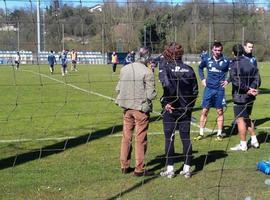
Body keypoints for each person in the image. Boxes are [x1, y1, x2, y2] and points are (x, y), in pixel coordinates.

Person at [159, 42, 198, 178]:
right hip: (185, 109)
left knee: (169, 138)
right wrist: (189, 107)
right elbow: (195, 91)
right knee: (185, 138)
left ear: (169, 53)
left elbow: (167, 86)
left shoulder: (166, 68)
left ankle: (170, 169)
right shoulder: (189, 69)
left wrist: (166, 102)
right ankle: (186, 168)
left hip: (171, 109)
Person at [115, 47, 157, 177]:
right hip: (140, 109)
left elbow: (118, 89)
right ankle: (139, 168)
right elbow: (151, 95)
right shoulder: (147, 72)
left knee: (126, 137)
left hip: (127, 108)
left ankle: (124, 165)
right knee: (140, 138)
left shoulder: (124, 69)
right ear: (147, 58)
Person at [194, 42, 230, 141]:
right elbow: (200, 68)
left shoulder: (226, 60)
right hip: (209, 89)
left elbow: (232, 71)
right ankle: (201, 133)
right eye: (215, 50)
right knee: (205, 110)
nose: (217, 52)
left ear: (221, 50)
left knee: (220, 111)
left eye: (219, 50)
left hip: (220, 90)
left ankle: (219, 134)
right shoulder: (207, 59)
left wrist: (227, 80)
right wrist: (202, 79)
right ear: (212, 50)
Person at [229, 44, 261, 151]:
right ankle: (254, 140)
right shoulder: (250, 62)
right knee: (247, 118)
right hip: (250, 97)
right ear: (243, 51)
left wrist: (248, 89)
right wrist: (252, 88)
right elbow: (258, 79)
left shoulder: (234, 65)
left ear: (233, 53)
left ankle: (243, 144)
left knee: (240, 120)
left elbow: (236, 82)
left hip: (240, 97)